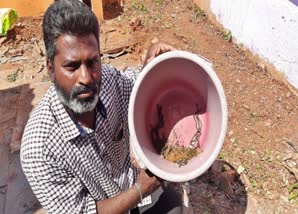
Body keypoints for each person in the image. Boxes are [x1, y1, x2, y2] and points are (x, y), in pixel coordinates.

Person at [20, 0, 182, 213]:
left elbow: (136, 87)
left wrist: (150, 66)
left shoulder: (109, 81)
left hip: (139, 195)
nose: (86, 78)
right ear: (50, 70)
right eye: (72, 66)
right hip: (112, 204)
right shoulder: (39, 150)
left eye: (92, 62)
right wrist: (142, 188)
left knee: (174, 205)